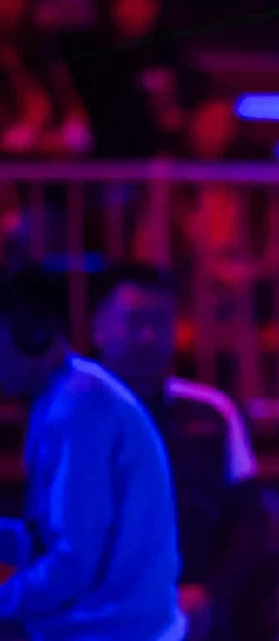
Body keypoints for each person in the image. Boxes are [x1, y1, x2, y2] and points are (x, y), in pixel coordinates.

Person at [91, 263, 279, 641]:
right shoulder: (70, 414)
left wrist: (210, 595)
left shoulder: (212, 412)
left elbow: (250, 522)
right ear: (99, 328)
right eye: (134, 321)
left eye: (160, 323)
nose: (147, 336)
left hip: (196, 613)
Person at [0, 264, 185, 641]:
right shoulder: (65, 397)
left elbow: (73, 564)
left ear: (33, 335)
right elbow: (50, 542)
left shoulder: (79, 406)